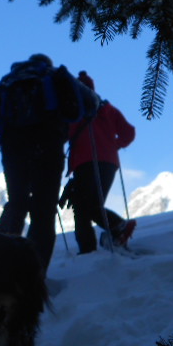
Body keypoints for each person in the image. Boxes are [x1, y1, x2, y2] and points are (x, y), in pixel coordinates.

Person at [0, 54, 98, 271]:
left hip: (13, 146)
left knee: (17, 203)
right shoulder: (55, 76)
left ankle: (1, 266)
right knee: (43, 211)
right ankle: (35, 275)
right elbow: (92, 103)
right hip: (48, 144)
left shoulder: (9, 81)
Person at [62, 71, 136, 254]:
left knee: (83, 207)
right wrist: (113, 146)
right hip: (109, 163)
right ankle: (115, 231)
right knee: (91, 204)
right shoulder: (108, 109)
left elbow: (62, 136)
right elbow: (129, 132)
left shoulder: (74, 110)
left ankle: (103, 238)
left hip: (85, 162)